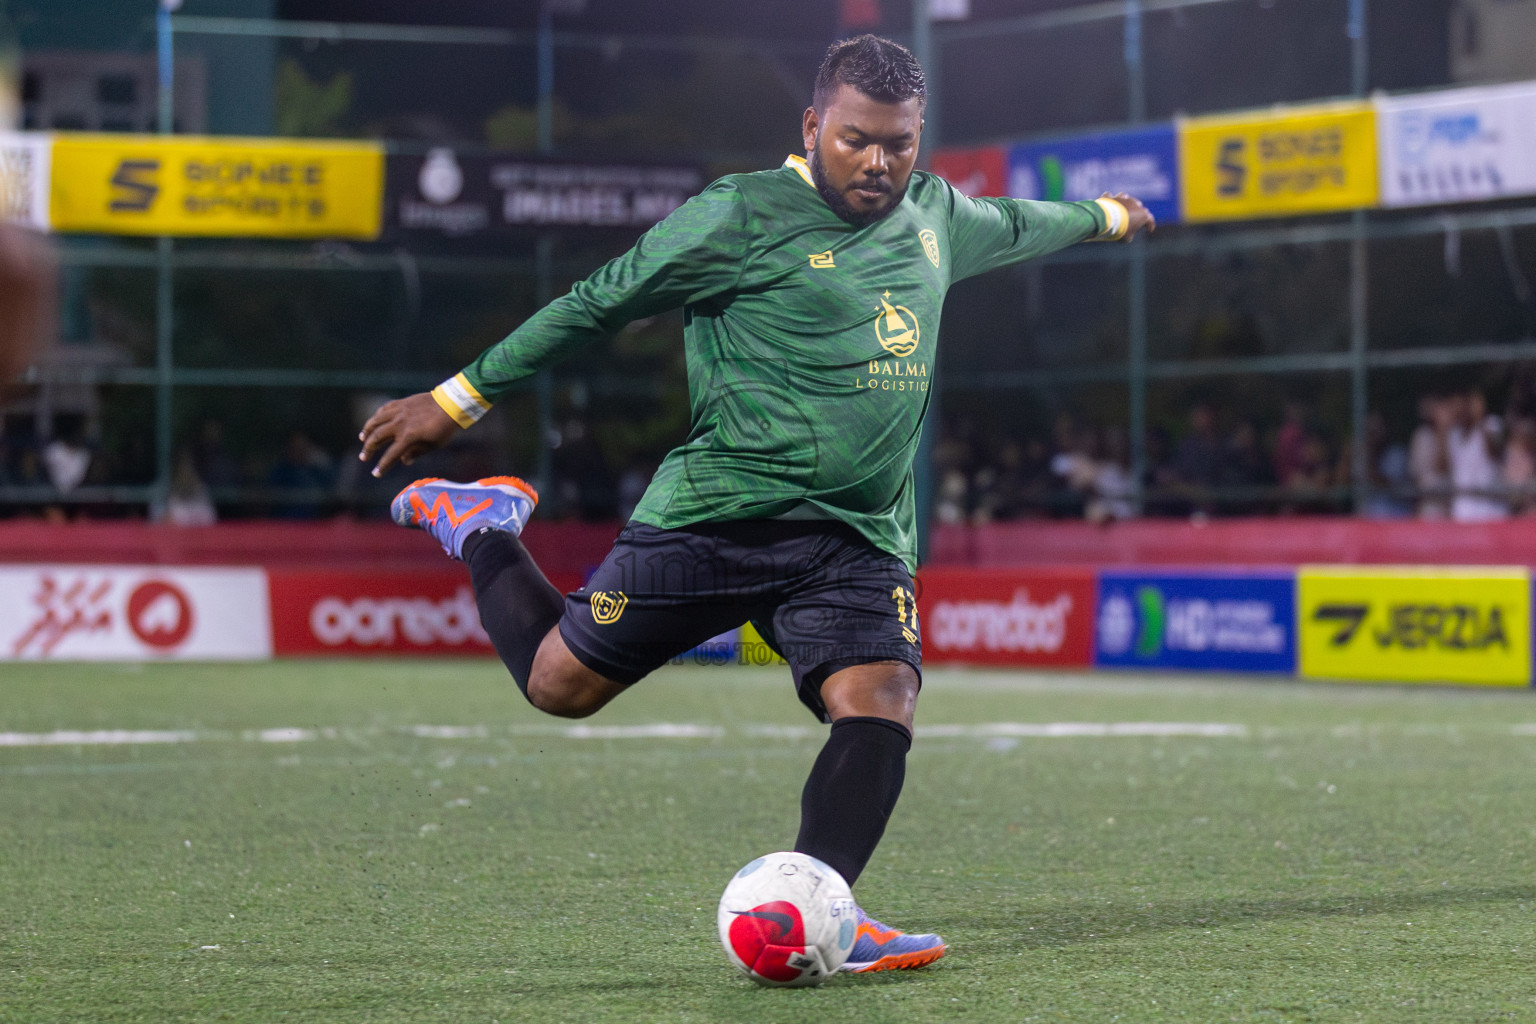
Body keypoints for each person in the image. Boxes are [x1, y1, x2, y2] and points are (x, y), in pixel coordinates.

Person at [358, 34, 1153, 974]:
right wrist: (455, 401)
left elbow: (1026, 224)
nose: (879, 162)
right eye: (857, 139)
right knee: (557, 686)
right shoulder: (736, 215)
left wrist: (1108, 216)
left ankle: (823, 907)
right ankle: (484, 523)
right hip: (715, 515)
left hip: (855, 537)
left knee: (882, 699)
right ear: (814, 126)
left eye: (899, 143)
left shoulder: (937, 215)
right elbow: (595, 304)